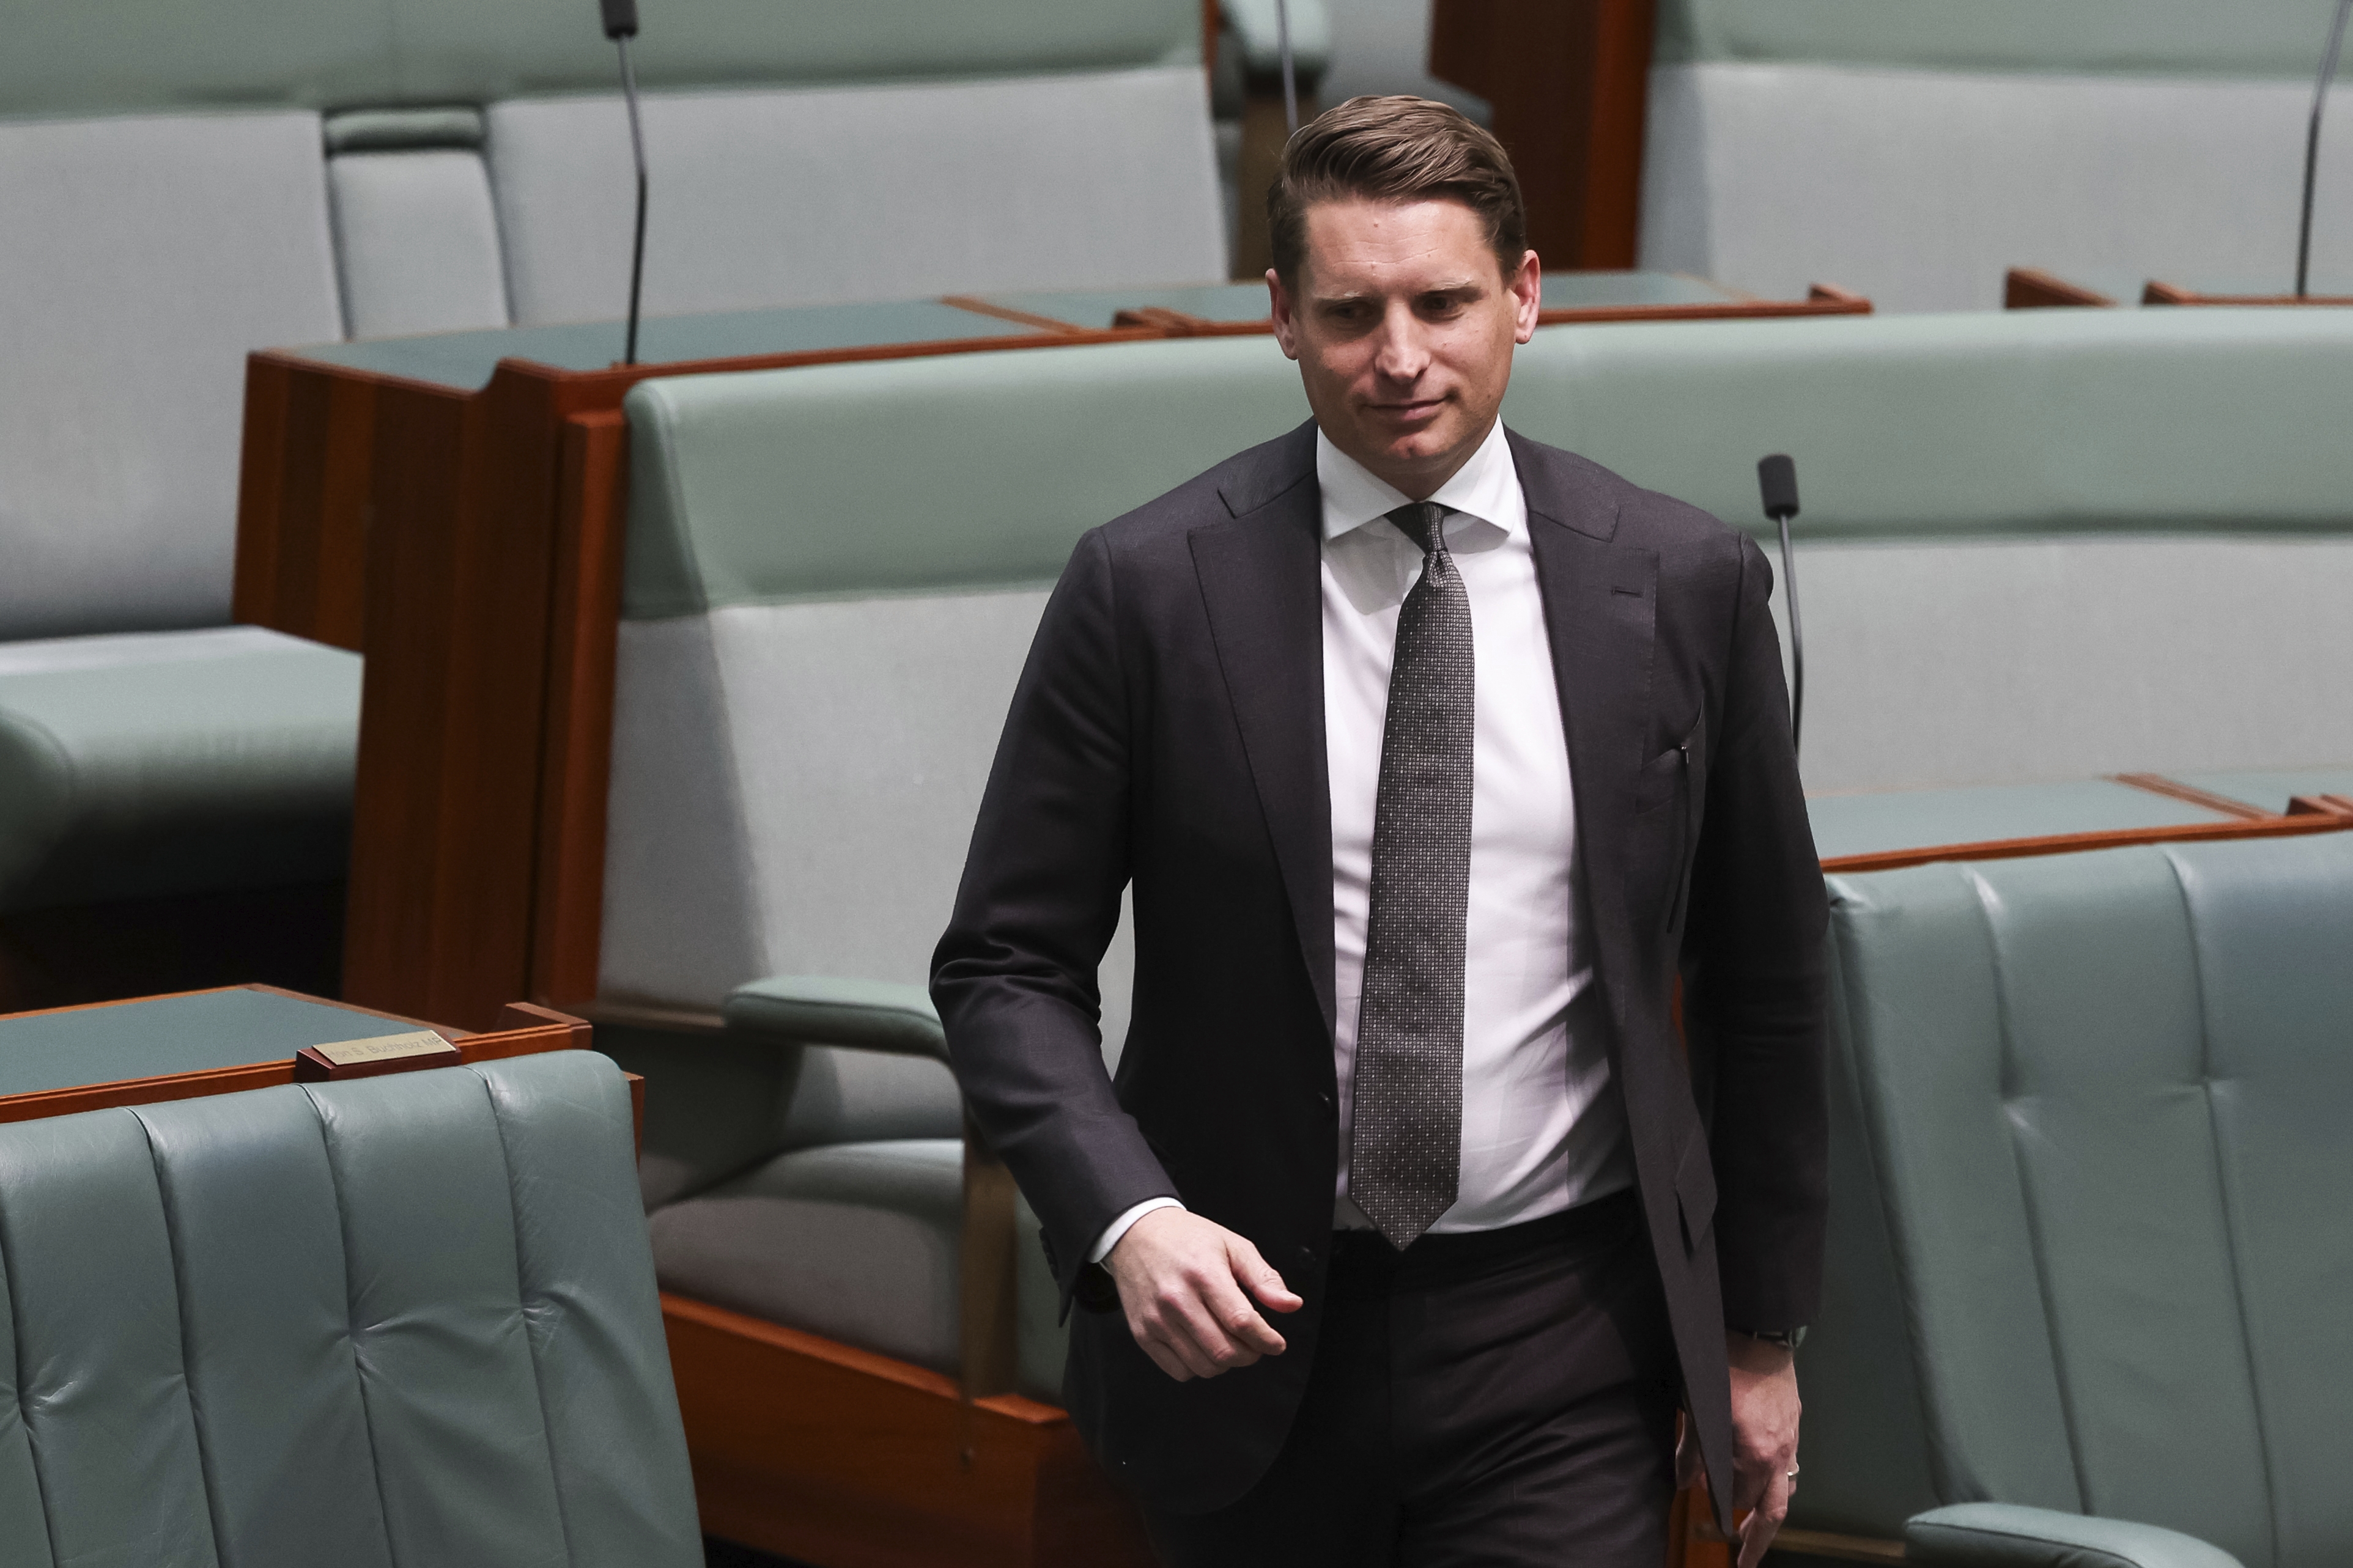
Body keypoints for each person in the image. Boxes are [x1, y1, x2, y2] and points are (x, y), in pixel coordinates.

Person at [931, 95, 1827, 1567]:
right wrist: (1126, 1215)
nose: (1398, 357)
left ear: (1525, 297)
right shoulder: (1149, 591)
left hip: (1567, 1333)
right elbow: (1003, 967)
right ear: (1281, 316)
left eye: (1442, 303)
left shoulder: (1683, 581)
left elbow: (1773, 983)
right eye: (1350, 312)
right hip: (1241, 1327)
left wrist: (1758, 1331)